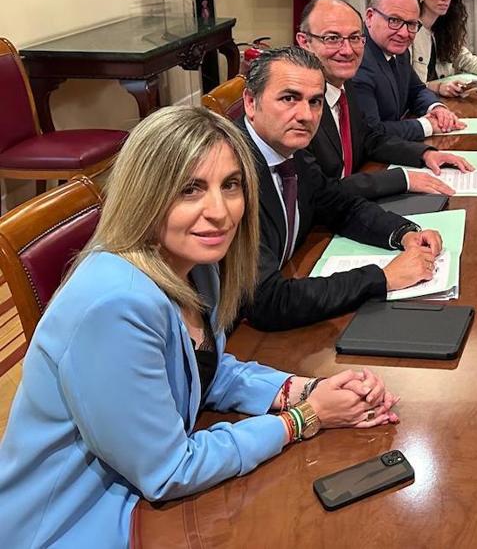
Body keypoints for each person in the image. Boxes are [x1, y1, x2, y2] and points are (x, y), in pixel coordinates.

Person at [0, 107, 399, 548]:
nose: (220, 212)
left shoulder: (196, 264)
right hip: (79, 523)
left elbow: (201, 369)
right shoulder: (116, 305)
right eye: (190, 189)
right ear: (144, 195)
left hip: (137, 496)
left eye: (230, 185)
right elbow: (170, 470)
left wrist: (305, 389)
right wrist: (305, 419)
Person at [238, 46, 443, 331]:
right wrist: (382, 278)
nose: (306, 115)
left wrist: (404, 233)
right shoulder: (228, 173)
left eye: (315, 102)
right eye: (289, 98)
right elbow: (267, 302)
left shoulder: (290, 149)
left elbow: (341, 205)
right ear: (250, 102)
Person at [295, 0, 474, 200]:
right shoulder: (297, 105)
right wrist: (403, 179)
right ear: (304, 42)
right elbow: (320, 191)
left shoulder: (343, 84)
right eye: (332, 38)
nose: (347, 51)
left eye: (354, 38)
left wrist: (425, 154)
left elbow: (369, 139)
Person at [349, 0, 465, 140]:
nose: (404, 33)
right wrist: (427, 126)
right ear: (370, 17)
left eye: (411, 24)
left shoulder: (399, 50)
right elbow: (371, 132)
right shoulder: (356, 59)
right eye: (394, 20)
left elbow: (416, 90)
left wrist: (437, 108)